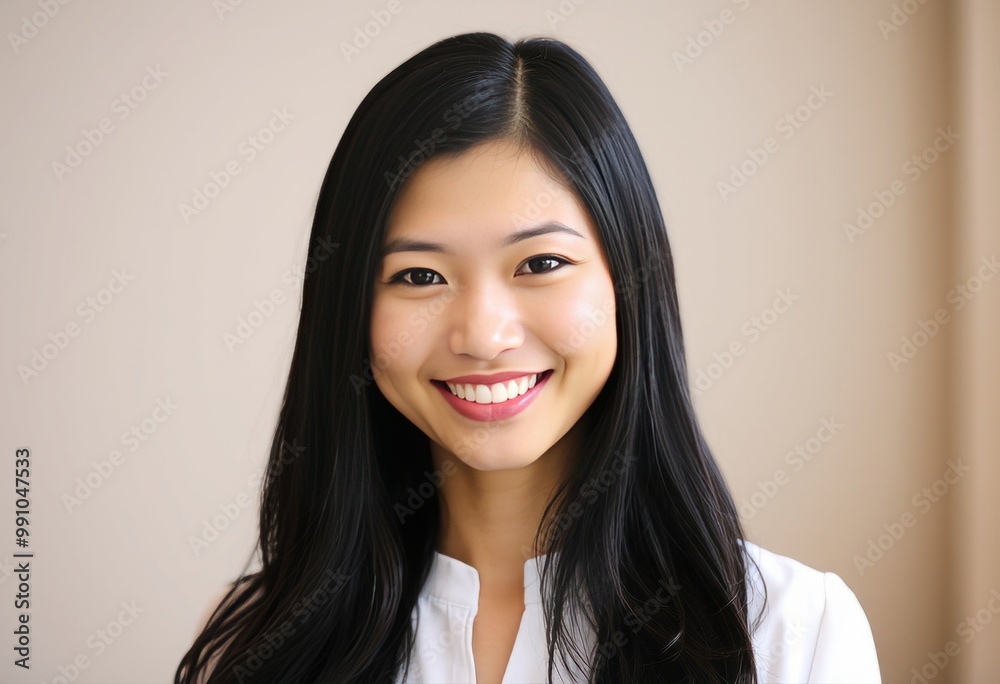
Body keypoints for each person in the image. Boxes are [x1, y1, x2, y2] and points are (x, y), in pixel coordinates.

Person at [175, 32, 881, 684]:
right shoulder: (258, 643)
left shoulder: (794, 633)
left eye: (541, 262)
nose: (483, 336)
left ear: (629, 280)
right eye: (420, 276)